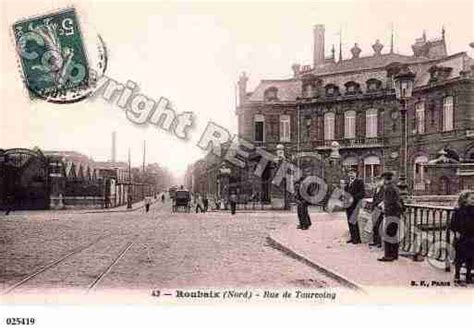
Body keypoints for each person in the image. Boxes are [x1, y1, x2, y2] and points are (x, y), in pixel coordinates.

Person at [449, 190, 474, 284]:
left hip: (471, 236)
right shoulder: (458, 210)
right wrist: (456, 232)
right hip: (461, 237)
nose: (473, 200)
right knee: (459, 257)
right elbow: (453, 224)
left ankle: (468, 275)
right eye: (471, 198)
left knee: (470, 257)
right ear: (464, 199)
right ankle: (457, 274)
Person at [378, 171, 404, 262]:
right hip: (396, 214)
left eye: (382, 179)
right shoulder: (395, 187)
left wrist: (384, 209)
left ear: (385, 179)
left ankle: (388, 256)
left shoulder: (389, 188)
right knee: (394, 235)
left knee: (388, 234)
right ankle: (394, 254)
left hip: (391, 214)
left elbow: (390, 203)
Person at [343, 169, 365, 244]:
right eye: (350, 173)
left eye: (353, 173)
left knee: (354, 221)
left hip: (355, 205)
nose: (351, 174)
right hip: (348, 206)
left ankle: (357, 239)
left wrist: (352, 198)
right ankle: (352, 237)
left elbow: (362, 193)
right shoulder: (347, 183)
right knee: (350, 222)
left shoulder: (359, 182)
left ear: (356, 174)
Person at [369, 177, 385, 248]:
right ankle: (375, 241)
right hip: (375, 209)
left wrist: (381, 204)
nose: (376, 183)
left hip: (380, 209)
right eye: (376, 181)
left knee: (379, 226)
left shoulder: (384, 189)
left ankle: (379, 242)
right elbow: (374, 199)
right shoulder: (376, 189)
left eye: (378, 181)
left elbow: (384, 199)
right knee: (374, 226)